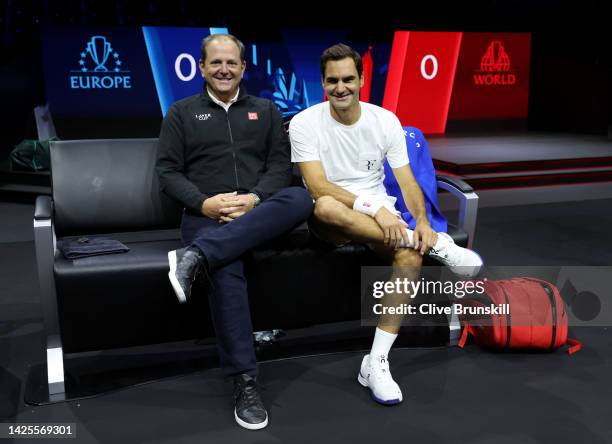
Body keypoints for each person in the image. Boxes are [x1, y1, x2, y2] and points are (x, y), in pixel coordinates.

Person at [289, 43, 482, 405]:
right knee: (327, 206)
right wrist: (374, 211)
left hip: (382, 214)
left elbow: (407, 180)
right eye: (333, 81)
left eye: (348, 79)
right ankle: (436, 245)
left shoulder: (385, 120)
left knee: (410, 255)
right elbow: (317, 186)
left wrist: (422, 220)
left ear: (362, 80)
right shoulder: (304, 122)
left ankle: (376, 362)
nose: (340, 87)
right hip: (333, 217)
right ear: (322, 83)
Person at [156, 33, 313, 430]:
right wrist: (205, 203)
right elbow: (168, 172)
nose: (224, 69)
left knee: (300, 198)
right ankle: (245, 382)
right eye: (216, 63)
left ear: (244, 67)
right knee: (227, 268)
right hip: (206, 214)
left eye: (232, 63)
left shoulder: (267, 110)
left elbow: (280, 167)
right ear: (202, 67)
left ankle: (196, 257)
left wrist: (255, 200)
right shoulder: (181, 112)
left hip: (256, 212)